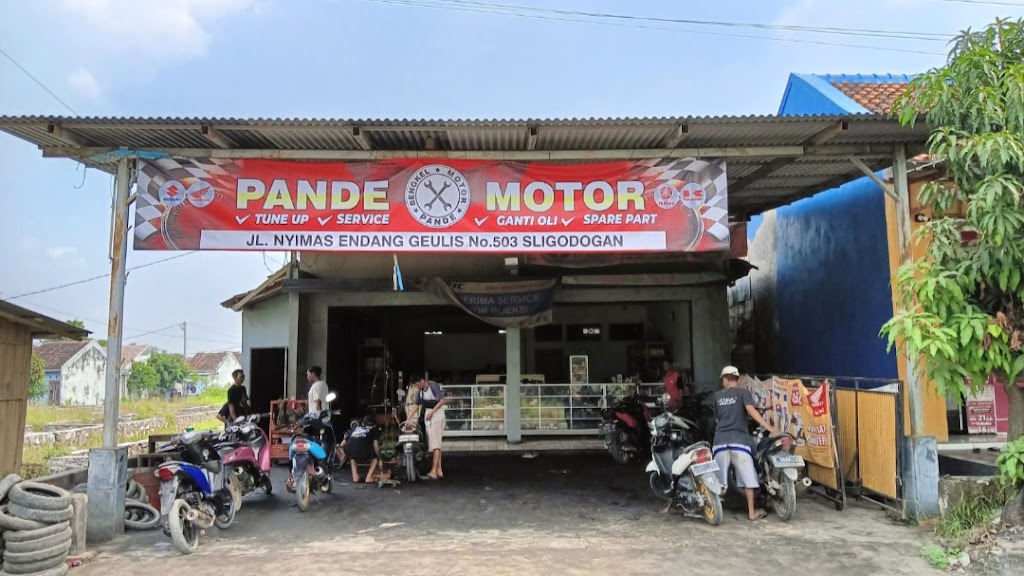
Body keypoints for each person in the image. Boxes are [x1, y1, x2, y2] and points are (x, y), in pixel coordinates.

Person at [711, 365, 776, 521]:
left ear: (725, 380)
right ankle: (752, 512)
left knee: (717, 481)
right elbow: (752, 411)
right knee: (749, 478)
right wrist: (769, 427)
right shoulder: (743, 393)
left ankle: (715, 511)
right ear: (738, 379)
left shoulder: (717, 396)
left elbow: (717, 418)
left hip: (720, 442)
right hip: (739, 441)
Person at [412, 374, 446, 480]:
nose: (417, 387)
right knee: (436, 444)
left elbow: (442, 401)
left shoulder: (433, 385)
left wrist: (432, 412)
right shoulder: (420, 392)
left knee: (435, 445)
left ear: (422, 380)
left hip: (437, 417)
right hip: (429, 418)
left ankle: (434, 471)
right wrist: (408, 419)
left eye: (417, 384)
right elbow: (416, 405)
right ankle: (439, 470)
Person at [339, 416, 382, 483]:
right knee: (375, 458)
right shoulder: (374, 430)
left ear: (362, 423)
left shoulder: (355, 429)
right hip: (365, 450)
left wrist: (343, 455)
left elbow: (341, 445)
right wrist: (379, 457)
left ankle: (355, 477)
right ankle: (369, 477)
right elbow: (376, 445)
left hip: (350, 450)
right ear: (374, 424)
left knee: (352, 457)